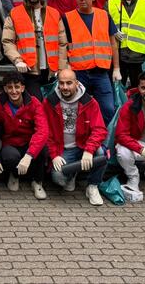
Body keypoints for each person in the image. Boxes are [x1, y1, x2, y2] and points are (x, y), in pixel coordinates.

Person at [0, 71, 49, 200]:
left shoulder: (34, 103)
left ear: (23, 88)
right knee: (9, 157)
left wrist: (29, 155)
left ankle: (37, 181)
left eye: (17, 87)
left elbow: (42, 131)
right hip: (10, 143)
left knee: (42, 150)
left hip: (30, 143)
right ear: (5, 89)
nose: (14, 91)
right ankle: (14, 175)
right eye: (10, 87)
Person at [59, 0, 121, 126]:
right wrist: (65, 67)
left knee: (108, 109)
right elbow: (62, 44)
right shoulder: (67, 18)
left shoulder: (104, 15)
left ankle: (103, 142)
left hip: (101, 72)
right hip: (78, 73)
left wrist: (116, 68)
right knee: (80, 111)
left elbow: (113, 43)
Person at [45, 68, 108, 206]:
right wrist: (54, 155)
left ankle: (92, 186)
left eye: (69, 83)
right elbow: (46, 132)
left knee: (101, 153)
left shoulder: (90, 102)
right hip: (64, 149)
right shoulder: (50, 102)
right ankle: (73, 174)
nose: (65, 87)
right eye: (61, 83)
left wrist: (89, 150)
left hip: (84, 145)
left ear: (77, 83)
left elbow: (100, 130)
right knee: (58, 178)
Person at [2, 0, 60, 99]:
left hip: (51, 71)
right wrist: (17, 60)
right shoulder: (15, 13)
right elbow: (8, 41)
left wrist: (62, 66)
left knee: (52, 107)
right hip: (29, 70)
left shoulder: (54, 13)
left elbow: (63, 43)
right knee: (36, 103)